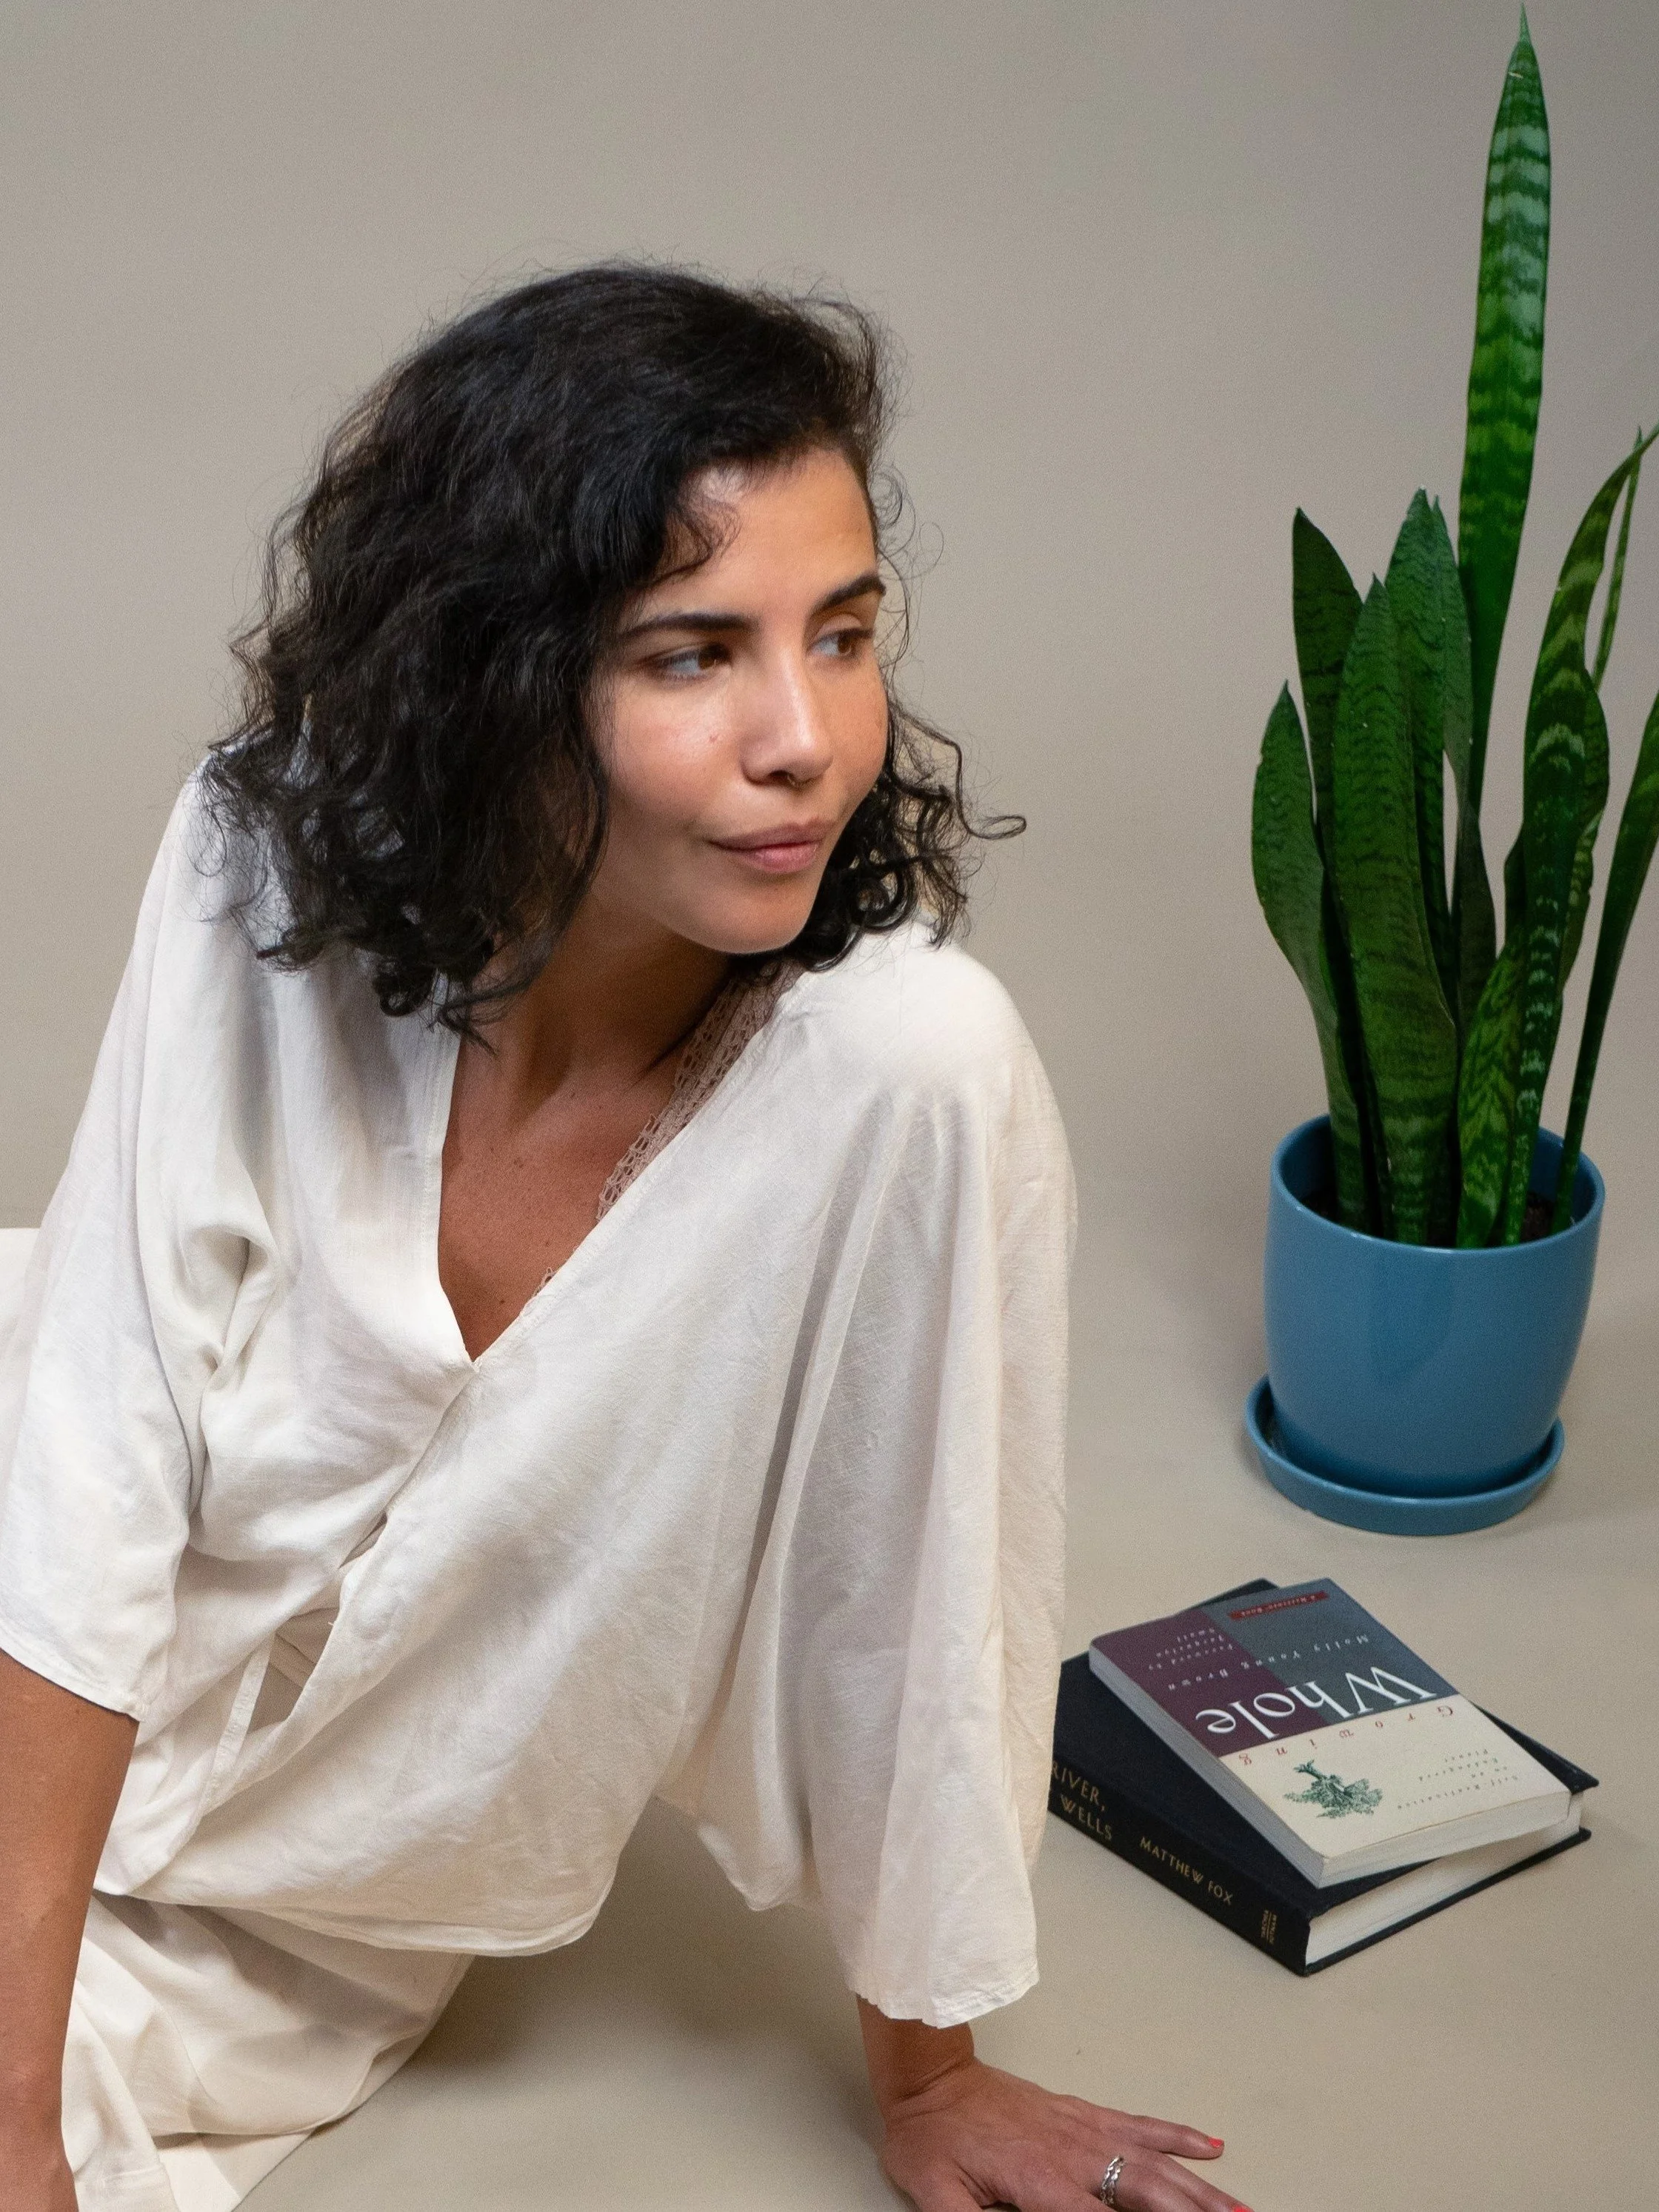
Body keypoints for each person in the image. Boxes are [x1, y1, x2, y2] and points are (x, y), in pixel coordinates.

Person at [0, 267, 1241, 2212]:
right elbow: (84, 1457)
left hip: (277, 1920)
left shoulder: (901, 1077)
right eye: (693, 655)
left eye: (843, 638)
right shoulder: (269, 852)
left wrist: (933, 2080)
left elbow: (916, 1583)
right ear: (504, 677)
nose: (804, 740)